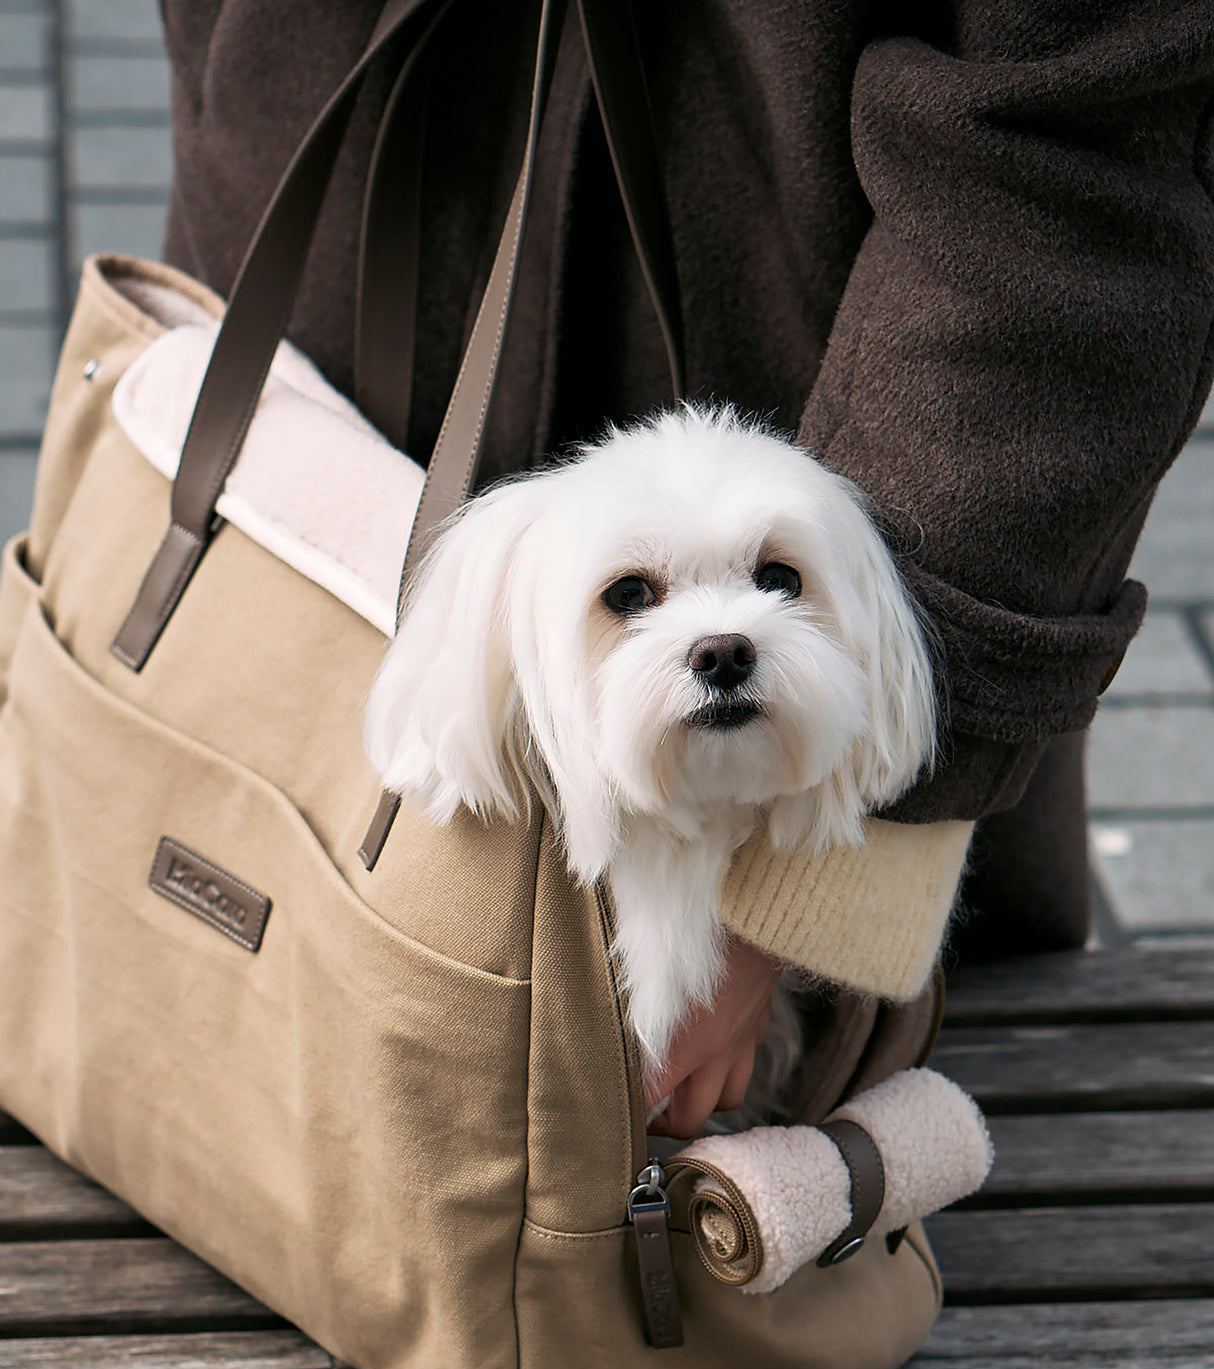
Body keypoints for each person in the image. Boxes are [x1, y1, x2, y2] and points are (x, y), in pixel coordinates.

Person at [157, 0, 1214, 1136]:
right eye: (634, 598)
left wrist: (798, 908)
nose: (720, 630)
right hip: (310, 307)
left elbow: (1065, 187)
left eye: (771, 580)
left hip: (852, 368)